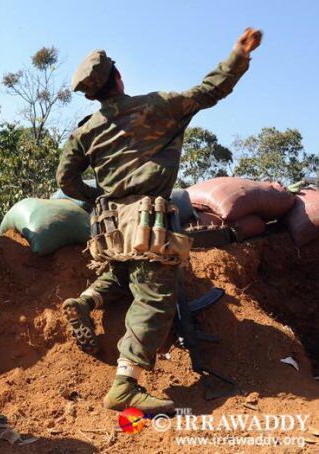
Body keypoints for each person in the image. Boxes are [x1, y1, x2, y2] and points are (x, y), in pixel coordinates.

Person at [56, 28, 262, 413]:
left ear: (92, 93)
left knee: (123, 274)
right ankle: (125, 383)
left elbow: (65, 180)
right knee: (155, 297)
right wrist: (239, 55)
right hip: (147, 220)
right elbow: (209, 90)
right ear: (118, 78)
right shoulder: (157, 106)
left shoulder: (85, 131)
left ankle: (87, 301)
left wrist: (97, 197)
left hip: (109, 227)